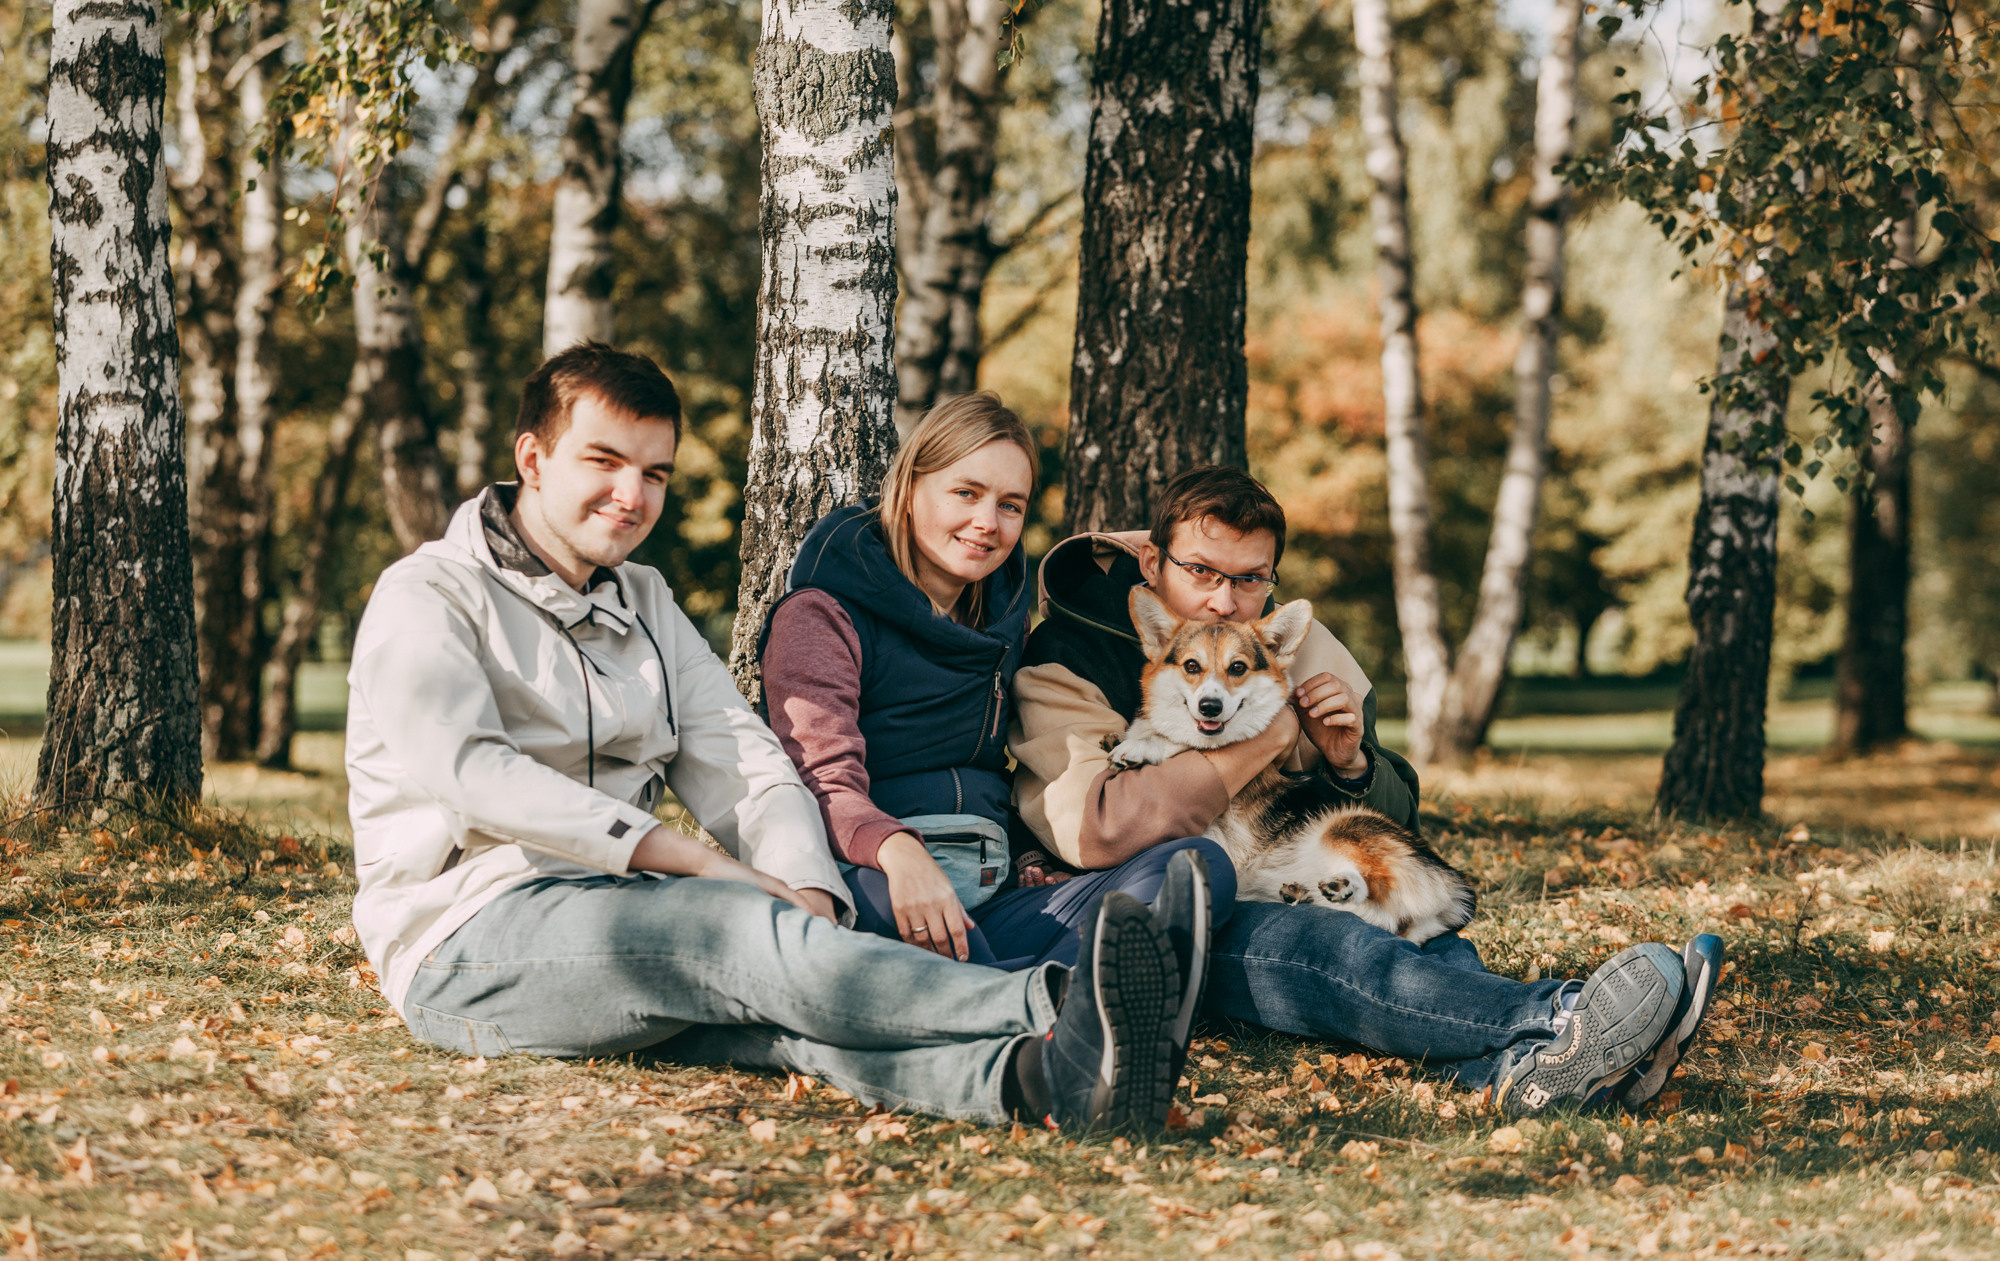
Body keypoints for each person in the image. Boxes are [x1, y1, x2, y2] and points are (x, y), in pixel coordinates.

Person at [343, 343, 1200, 1132]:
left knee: (787, 1020)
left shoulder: (641, 599)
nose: (632, 495)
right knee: (735, 933)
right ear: (533, 459)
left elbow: (745, 758)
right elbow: (477, 774)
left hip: (620, 919)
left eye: (654, 473)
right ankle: (1060, 1006)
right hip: (467, 939)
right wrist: (704, 865)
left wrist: (807, 888)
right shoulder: (429, 595)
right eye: (603, 462)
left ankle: (1044, 1083)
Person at [1011, 464, 1726, 1114]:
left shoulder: (1305, 645)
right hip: (1173, 905)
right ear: (1151, 561)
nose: (1226, 601)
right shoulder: (1066, 658)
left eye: (1251, 578)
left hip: (1300, 865)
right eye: (1201, 570)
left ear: (1272, 577)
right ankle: (1565, 1016)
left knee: (1410, 935)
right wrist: (1268, 735)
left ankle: (1535, 1072)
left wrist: (1350, 764)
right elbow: (1099, 824)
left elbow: (1392, 826)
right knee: (1330, 947)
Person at [758, 393, 1225, 1074]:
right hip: (875, 879)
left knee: (1194, 865)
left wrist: (1032, 847)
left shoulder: (1004, 616)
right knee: (911, 932)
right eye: (966, 492)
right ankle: (1059, 1020)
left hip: (991, 882)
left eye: (1010, 504)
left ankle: (1052, 1002)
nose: (987, 522)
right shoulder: (823, 612)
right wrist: (897, 852)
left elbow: (1010, 759)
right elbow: (818, 778)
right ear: (911, 487)